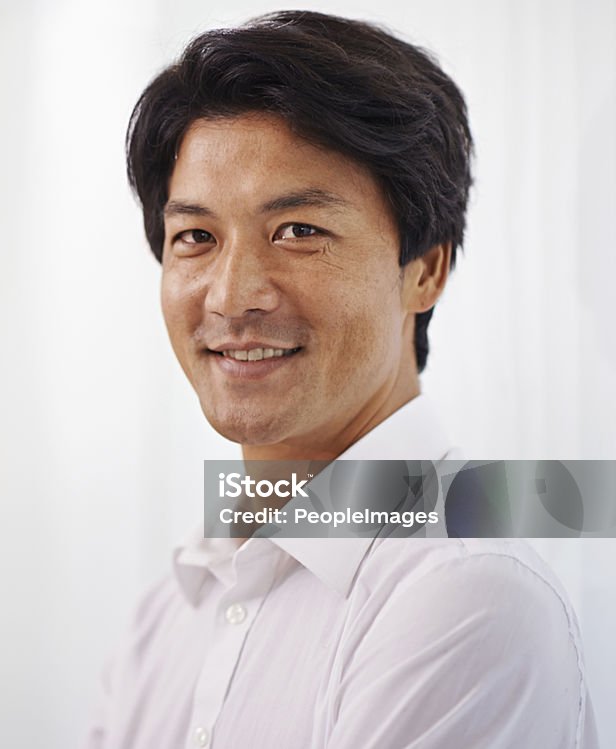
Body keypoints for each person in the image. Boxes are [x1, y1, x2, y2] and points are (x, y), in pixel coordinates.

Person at [83, 10, 597, 749]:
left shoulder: (467, 593)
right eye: (196, 236)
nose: (232, 295)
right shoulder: (170, 610)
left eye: (298, 232)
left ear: (426, 269)